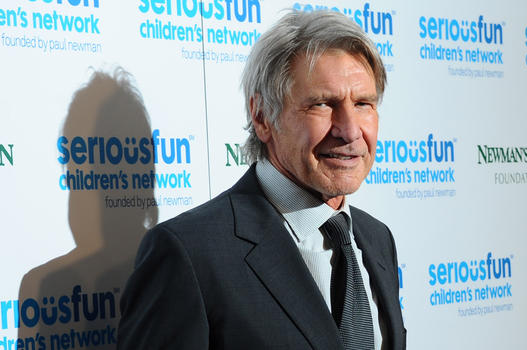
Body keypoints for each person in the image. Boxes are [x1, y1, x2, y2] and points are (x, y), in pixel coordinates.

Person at [118, 10, 405, 350]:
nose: (350, 130)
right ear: (262, 116)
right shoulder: (190, 255)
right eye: (323, 104)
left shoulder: (376, 238)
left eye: (363, 103)